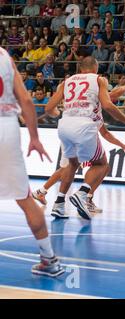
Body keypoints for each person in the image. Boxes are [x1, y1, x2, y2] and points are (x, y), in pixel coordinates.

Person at [44, 57, 125, 220]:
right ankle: (83, 193)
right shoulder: (99, 79)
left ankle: (58, 204)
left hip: (64, 125)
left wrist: (61, 114)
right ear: (95, 68)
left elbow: (49, 108)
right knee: (102, 164)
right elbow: (107, 104)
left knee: (72, 163)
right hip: (84, 124)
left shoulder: (67, 81)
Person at [0, 46, 64, 277]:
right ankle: (49, 259)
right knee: (26, 199)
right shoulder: (5, 56)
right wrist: (34, 137)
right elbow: (26, 101)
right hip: (7, 126)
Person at [32, 79, 125, 212]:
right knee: (101, 166)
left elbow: (105, 132)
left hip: (66, 128)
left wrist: (122, 145)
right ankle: (84, 196)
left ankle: (51, 196)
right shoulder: (96, 93)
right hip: (81, 130)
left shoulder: (80, 93)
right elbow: (112, 98)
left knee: (69, 167)